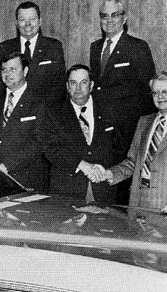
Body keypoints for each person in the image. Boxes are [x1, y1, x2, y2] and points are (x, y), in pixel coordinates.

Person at [101, 72, 167, 214]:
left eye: (165, 91)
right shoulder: (144, 122)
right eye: (155, 92)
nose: (160, 96)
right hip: (137, 203)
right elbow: (132, 162)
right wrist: (110, 173)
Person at [45, 64, 124, 204]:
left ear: (91, 85)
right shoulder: (53, 113)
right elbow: (50, 148)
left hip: (103, 189)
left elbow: (120, 148)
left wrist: (106, 171)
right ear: (67, 86)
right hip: (66, 191)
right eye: (73, 83)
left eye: (83, 82)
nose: (78, 88)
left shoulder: (110, 110)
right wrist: (82, 165)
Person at [0, 51, 51, 192]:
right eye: (4, 69)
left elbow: (38, 142)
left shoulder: (40, 101)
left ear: (25, 71)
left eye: (13, 69)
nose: (7, 74)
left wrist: (7, 166)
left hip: (26, 179)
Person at [90, 0, 156, 147]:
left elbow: (146, 90)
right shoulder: (95, 47)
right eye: (104, 16)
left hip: (127, 127)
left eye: (115, 15)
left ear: (124, 18)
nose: (109, 20)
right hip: (101, 124)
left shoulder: (137, 47)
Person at [0, 1, 66, 103]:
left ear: (40, 21)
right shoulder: (5, 47)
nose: (28, 24)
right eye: (22, 20)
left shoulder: (53, 47)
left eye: (32, 19)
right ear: (17, 23)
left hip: (44, 107)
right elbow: (0, 85)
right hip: (14, 107)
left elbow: (59, 85)